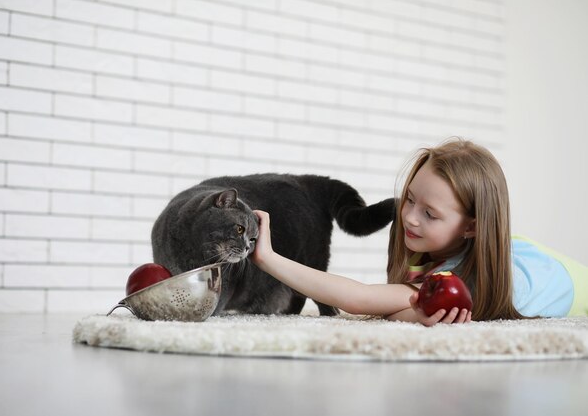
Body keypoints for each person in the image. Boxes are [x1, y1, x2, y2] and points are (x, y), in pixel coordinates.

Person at [250, 138, 587, 326]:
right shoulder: (457, 253)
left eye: (429, 213)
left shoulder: (467, 282)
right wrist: (411, 311)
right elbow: (395, 305)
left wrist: (269, 258)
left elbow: (359, 299)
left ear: (472, 227)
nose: (409, 218)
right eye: (410, 199)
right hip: (526, 255)